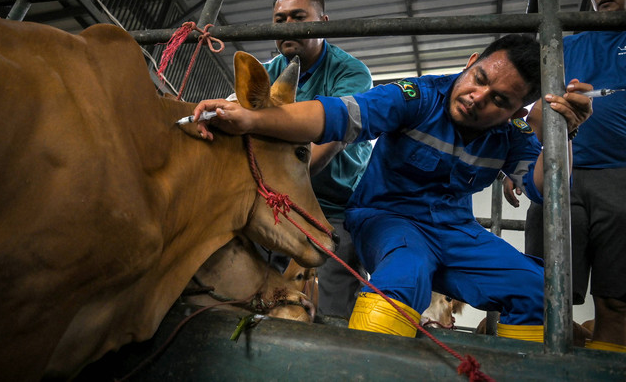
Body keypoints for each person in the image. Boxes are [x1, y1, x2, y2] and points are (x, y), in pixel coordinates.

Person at [192, 33, 592, 341]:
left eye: (499, 100)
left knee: (536, 289)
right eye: (479, 79)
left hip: (455, 231)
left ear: (515, 111)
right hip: (387, 218)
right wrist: (252, 120)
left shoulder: (514, 135)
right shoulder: (416, 96)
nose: (477, 97)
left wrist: (563, 133)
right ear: (471, 63)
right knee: (406, 272)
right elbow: (337, 116)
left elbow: (542, 190)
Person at [503, 0, 626, 352]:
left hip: (620, 178)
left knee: (616, 300)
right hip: (562, 172)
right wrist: (515, 165)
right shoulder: (563, 44)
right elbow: (526, 102)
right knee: (544, 295)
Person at [259, 0, 374, 319]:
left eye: (298, 17)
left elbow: (329, 140)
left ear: (323, 22)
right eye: (280, 20)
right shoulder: (266, 73)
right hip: (282, 197)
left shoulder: (351, 73)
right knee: (253, 276)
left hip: (336, 204)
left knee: (336, 300)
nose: (288, 26)